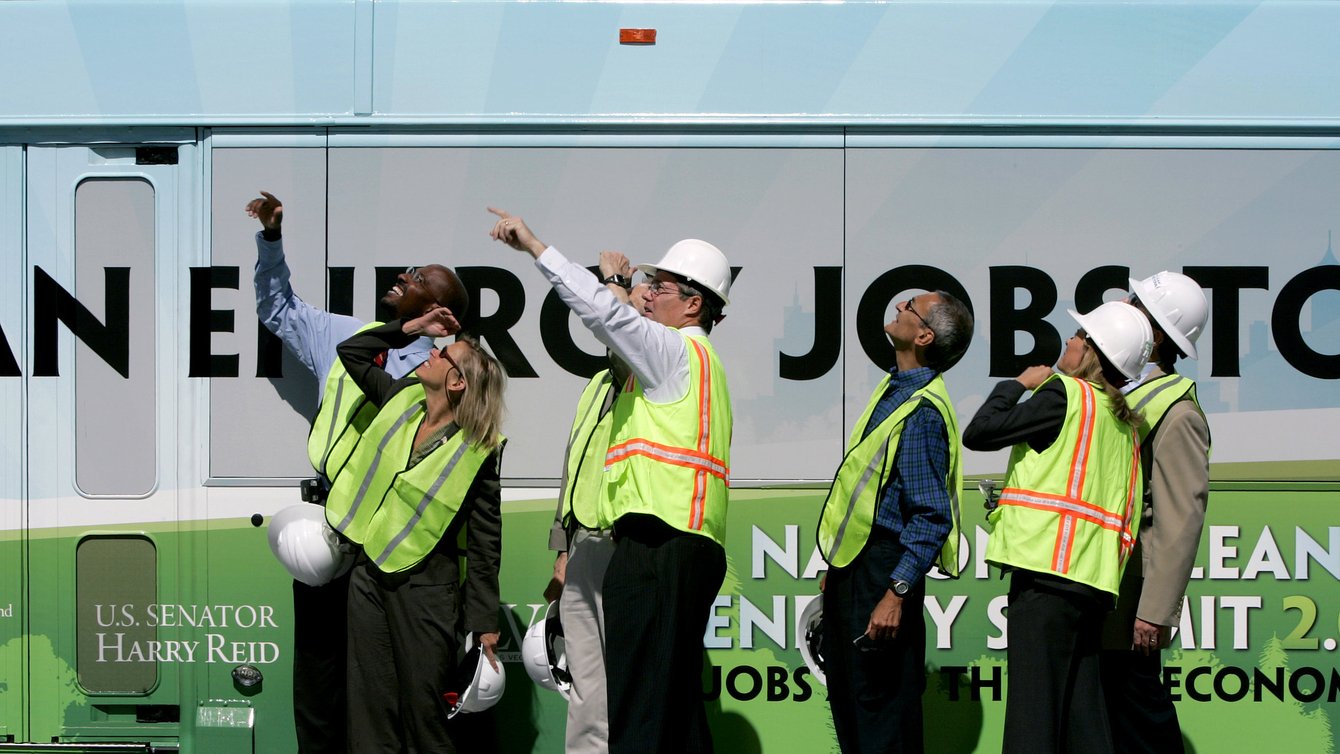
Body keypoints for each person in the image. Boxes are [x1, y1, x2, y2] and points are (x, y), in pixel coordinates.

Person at [489, 208, 732, 753]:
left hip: (658, 546)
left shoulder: (674, 353)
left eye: (660, 286)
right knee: (671, 708)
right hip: (681, 545)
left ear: (692, 304)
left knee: (639, 711)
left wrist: (535, 246)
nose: (650, 293)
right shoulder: (696, 362)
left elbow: (605, 315)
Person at [246, 190, 469, 754]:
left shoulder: (443, 370)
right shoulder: (346, 334)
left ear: (438, 310)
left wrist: (418, 336)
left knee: (380, 687)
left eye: (417, 277)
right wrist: (271, 238)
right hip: (326, 527)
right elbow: (278, 309)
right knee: (318, 679)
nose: (402, 276)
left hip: (386, 539)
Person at [963, 301, 1153, 754]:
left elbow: (980, 433)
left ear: (1092, 352)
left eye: (1079, 335)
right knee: (1083, 719)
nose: (1069, 340)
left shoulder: (1066, 396)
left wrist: (1017, 385)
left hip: (1046, 577)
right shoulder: (1123, 423)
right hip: (1092, 586)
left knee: (1033, 718)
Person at [329, 306, 506, 753]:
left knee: (426, 715)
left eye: (444, 353)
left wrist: (484, 622)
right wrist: (412, 327)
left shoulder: (477, 449)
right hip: (369, 573)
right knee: (369, 711)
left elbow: (484, 542)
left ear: (457, 382)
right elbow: (351, 352)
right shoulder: (401, 400)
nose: (432, 351)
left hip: (426, 588)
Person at [816, 291, 974, 753]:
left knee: (879, 714)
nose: (899, 306)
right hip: (857, 568)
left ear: (923, 336)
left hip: (883, 574)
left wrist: (895, 593)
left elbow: (930, 515)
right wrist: (839, 566)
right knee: (851, 703)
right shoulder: (895, 388)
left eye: (910, 306)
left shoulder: (922, 411)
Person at [544, 253, 651, 754]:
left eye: (641, 299)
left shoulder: (651, 374)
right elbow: (574, 470)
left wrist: (615, 282)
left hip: (624, 545)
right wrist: (563, 548)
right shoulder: (597, 385)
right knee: (586, 688)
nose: (634, 304)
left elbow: (619, 332)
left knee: (627, 682)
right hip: (586, 545)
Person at [1101, 271, 1211, 753]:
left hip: (1129, 603)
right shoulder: (1116, 392)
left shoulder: (1177, 413)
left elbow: (1181, 518)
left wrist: (1154, 612)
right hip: (1101, 589)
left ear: (1159, 335)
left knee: (1139, 722)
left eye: (1137, 303)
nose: (1123, 306)